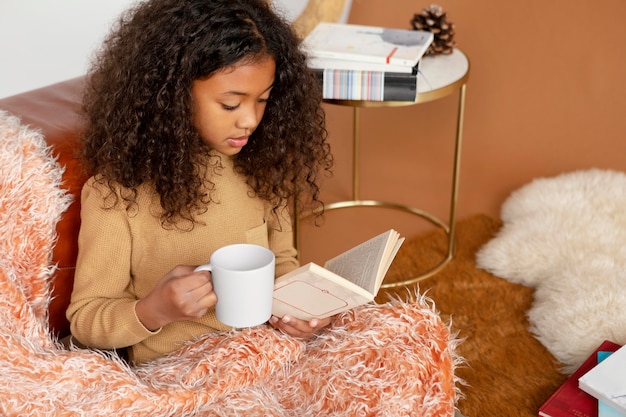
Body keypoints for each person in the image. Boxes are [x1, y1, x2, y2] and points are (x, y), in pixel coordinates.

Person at [66, 0, 334, 365]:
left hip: (266, 355)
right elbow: (86, 321)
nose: (250, 121)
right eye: (230, 105)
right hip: (177, 375)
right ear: (173, 95)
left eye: (263, 100)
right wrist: (153, 310)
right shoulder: (116, 194)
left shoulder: (263, 167)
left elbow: (283, 261)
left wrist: (298, 314)